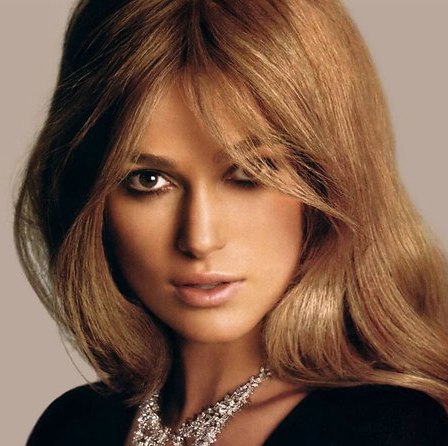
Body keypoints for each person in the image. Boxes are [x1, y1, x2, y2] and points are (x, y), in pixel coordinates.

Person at [15, 0, 448, 445]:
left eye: (249, 174)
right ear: (89, 198)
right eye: (149, 180)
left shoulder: (389, 429)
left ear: (330, 184)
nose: (199, 239)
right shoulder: (72, 426)